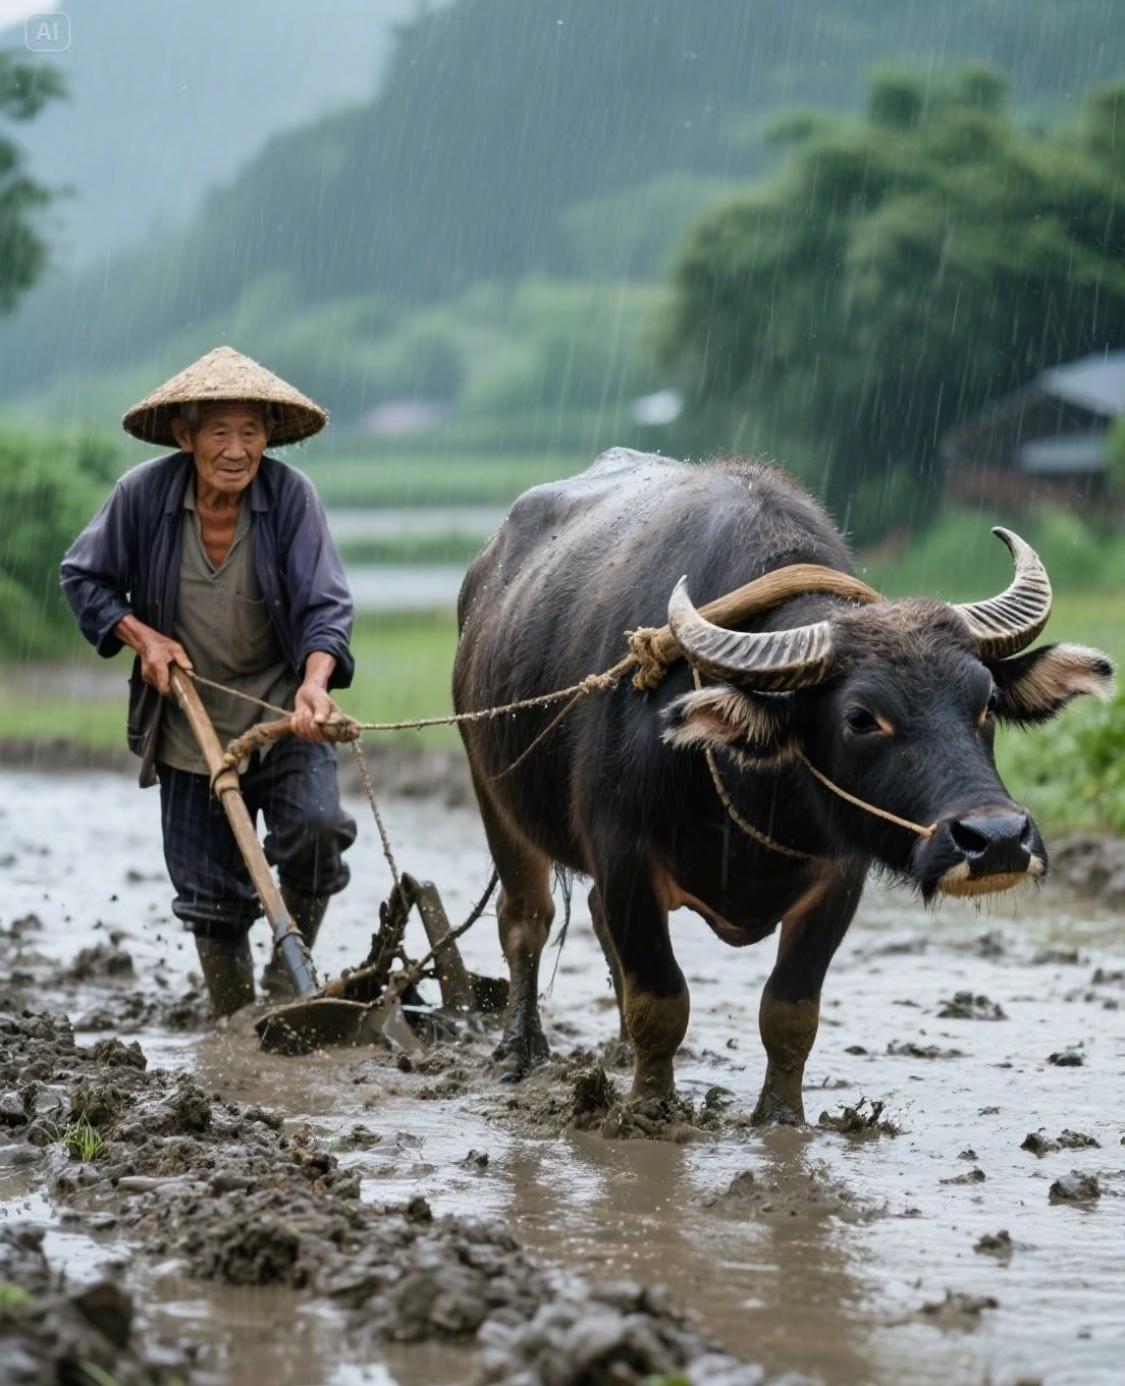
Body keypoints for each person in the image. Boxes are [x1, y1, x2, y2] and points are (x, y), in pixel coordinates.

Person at [60, 345, 358, 1017]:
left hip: (284, 715)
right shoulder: (142, 496)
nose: (236, 448)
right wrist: (142, 636)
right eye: (219, 431)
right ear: (184, 435)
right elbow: (83, 576)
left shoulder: (290, 500)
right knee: (209, 896)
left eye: (250, 431)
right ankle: (233, 1022)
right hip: (189, 727)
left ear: (268, 437)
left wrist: (316, 683)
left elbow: (326, 606)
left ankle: (290, 984)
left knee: (315, 833)